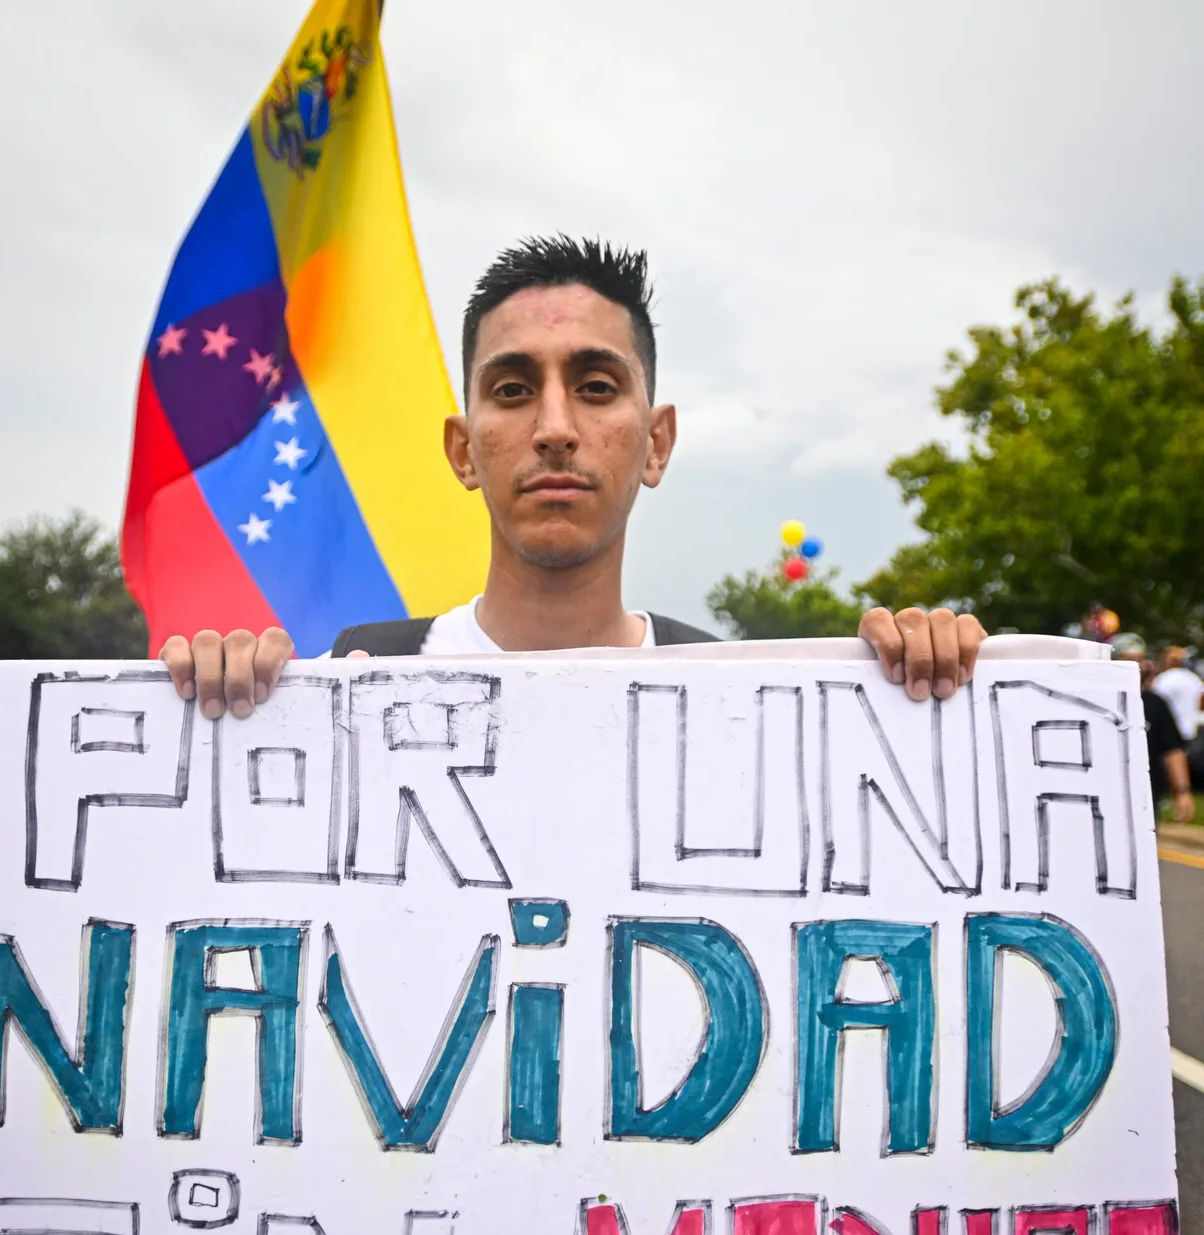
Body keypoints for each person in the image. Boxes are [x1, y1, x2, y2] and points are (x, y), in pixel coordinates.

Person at [160, 236, 986, 711]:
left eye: (596, 387)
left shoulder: (740, 698)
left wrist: (933, 690)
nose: (555, 429)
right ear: (463, 449)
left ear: (656, 442)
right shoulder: (347, 684)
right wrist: (213, 720)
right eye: (513, 390)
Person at [1129, 655, 1195, 822]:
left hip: (1146, 794)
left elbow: (1173, 748)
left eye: (1139, 659)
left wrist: (1182, 791)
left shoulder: (1154, 703)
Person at [1153, 646, 1204, 744]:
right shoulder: (1194, 678)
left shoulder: (1164, 679)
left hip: (1171, 733)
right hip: (1193, 732)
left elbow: (1155, 702)